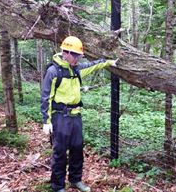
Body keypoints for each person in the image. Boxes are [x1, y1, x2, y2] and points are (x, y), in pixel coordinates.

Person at [41, 36, 118, 192]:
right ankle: (58, 186)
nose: (77, 59)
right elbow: (46, 97)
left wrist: (110, 62)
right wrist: (46, 121)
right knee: (60, 152)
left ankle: (75, 180)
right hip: (60, 117)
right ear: (66, 52)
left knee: (77, 148)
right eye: (75, 55)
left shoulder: (76, 69)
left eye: (78, 56)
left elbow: (93, 65)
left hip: (76, 115)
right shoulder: (53, 71)